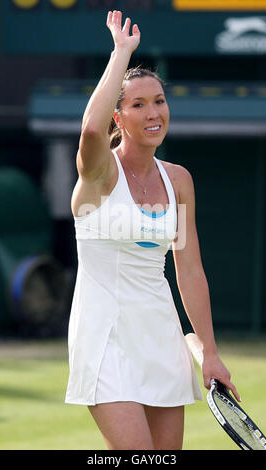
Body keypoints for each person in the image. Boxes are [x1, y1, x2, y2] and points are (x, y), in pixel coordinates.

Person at [65, 10, 240, 450]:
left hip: (161, 337)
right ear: (118, 118)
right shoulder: (100, 174)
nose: (153, 112)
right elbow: (89, 129)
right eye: (138, 104)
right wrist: (121, 54)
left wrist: (210, 351)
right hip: (102, 337)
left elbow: (189, 270)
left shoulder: (178, 180)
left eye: (159, 101)